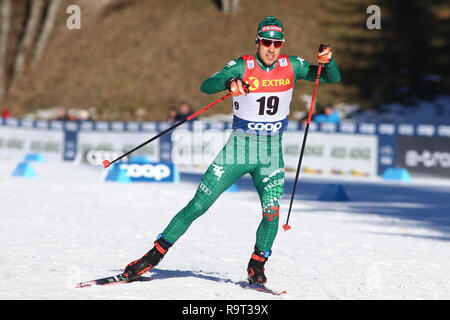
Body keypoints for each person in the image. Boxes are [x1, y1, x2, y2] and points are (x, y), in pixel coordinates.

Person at [122, 16, 340, 286]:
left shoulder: (291, 65)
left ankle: (257, 264)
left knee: (272, 214)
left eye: (277, 43)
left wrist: (328, 62)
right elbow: (207, 85)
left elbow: (331, 78)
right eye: (266, 42)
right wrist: (229, 84)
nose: (271, 48)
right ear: (257, 42)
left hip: (271, 154)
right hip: (238, 151)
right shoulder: (242, 65)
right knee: (198, 205)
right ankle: (152, 257)